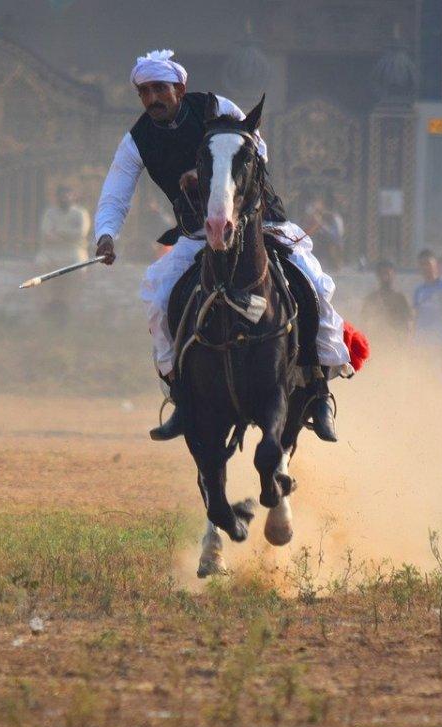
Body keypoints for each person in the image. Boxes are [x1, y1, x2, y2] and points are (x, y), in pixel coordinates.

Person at [92, 50, 351, 442]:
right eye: (144, 92)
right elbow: (116, 192)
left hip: (258, 222)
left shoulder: (217, 107)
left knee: (315, 286)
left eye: (159, 89)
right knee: (157, 296)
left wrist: (212, 173)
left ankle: (317, 389)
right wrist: (106, 234)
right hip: (198, 233)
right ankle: (180, 395)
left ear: (180, 88)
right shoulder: (137, 139)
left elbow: (255, 150)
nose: (152, 99)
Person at [37, 184, 91, 323]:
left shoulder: (81, 213)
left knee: (80, 270)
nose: (65, 198)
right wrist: (67, 234)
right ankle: (48, 303)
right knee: (40, 263)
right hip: (51, 251)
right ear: (57, 197)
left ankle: (68, 305)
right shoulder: (50, 213)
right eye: (62, 195)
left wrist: (58, 232)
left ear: (73, 197)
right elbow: (46, 234)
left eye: (68, 195)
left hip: (75, 250)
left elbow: (81, 233)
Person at [411, 249, 442, 358]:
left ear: (436, 265)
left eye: (428, 264)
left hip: (440, 340)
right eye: (422, 264)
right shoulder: (419, 290)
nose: (425, 268)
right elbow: (416, 315)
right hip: (422, 340)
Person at [360, 259, 412, 345]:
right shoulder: (371, 299)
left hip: (397, 344)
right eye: (382, 273)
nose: (385, 276)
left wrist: (406, 343)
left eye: (388, 273)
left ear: (393, 275)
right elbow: (364, 323)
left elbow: (408, 324)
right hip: (377, 343)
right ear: (378, 276)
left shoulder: (401, 299)